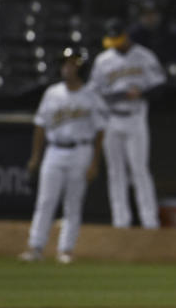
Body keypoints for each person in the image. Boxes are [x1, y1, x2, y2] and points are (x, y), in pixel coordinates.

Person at [20, 48, 107, 264]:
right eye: (65, 63)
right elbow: (40, 126)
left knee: (73, 203)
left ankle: (66, 249)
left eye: (72, 63)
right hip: (55, 150)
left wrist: (95, 162)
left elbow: (99, 131)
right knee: (45, 200)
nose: (67, 67)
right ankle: (35, 247)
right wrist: (35, 156)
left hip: (81, 150)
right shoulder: (52, 93)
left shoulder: (91, 96)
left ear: (80, 67)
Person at [88, 18, 166, 229]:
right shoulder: (103, 60)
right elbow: (94, 92)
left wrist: (142, 93)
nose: (116, 43)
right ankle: (120, 221)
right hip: (112, 117)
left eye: (118, 38)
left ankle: (150, 221)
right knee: (115, 171)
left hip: (136, 116)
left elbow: (161, 86)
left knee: (139, 169)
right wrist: (115, 96)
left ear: (126, 35)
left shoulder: (144, 56)